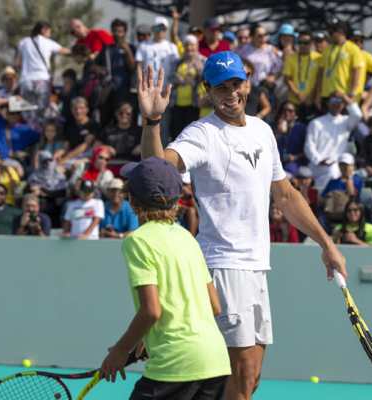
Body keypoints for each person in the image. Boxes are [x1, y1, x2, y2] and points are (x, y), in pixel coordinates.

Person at [136, 52, 346, 400]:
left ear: (247, 83)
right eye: (221, 88)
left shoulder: (262, 131)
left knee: (250, 380)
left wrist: (327, 245)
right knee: (240, 379)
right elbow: (157, 169)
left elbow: (286, 195)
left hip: (256, 267)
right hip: (223, 266)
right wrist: (152, 120)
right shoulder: (201, 134)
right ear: (207, 91)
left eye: (236, 84)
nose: (231, 93)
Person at [99, 156, 230, 398]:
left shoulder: (137, 241)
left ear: (133, 200)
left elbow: (151, 311)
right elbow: (214, 306)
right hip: (216, 362)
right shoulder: (187, 238)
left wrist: (120, 350)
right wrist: (147, 340)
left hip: (175, 365)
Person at [16, 21, 71, 123]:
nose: (50, 34)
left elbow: (18, 63)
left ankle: (32, 131)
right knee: (42, 112)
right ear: (43, 30)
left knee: (29, 112)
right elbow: (65, 51)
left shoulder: (23, 42)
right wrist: (81, 51)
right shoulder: (48, 42)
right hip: (42, 80)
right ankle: (43, 134)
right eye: (49, 31)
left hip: (26, 81)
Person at [304, 93, 362, 190]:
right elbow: (308, 146)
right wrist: (319, 160)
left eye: (340, 102)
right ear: (328, 103)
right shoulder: (316, 123)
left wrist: (344, 96)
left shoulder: (346, 121)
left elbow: (357, 114)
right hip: (317, 165)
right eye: (333, 102)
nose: (337, 105)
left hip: (338, 165)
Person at [95, 18, 137, 122]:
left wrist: (127, 51)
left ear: (125, 33)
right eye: (115, 31)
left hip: (125, 93)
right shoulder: (106, 49)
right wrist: (100, 70)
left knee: (124, 121)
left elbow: (133, 68)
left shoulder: (131, 48)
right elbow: (94, 65)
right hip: (108, 91)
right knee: (105, 120)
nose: (117, 34)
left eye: (120, 31)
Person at [315, 19, 364, 104]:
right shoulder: (327, 49)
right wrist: (318, 94)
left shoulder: (353, 48)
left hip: (342, 95)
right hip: (326, 95)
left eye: (332, 31)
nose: (330, 33)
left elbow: (356, 72)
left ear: (341, 32)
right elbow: (321, 73)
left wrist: (352, 93)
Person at [169, 34, 206, 140]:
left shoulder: (203, 61)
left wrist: (194, 78)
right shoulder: (178, 61)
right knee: (176, 134)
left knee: (191, 134)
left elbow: (206, 79)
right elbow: (170, 78)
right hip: (177, 103)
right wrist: (178, 80)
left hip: (194, 104)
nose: (189, 48)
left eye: (192, 45)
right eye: (187, 45)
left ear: (197, 46)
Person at [282, 30, 321, 119]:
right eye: (300, 43)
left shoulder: (319, 58)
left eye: (306, 43)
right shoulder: (291, 58)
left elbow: (319, 79)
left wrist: (311, 95)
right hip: (294, 101)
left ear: (311, 43)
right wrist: (298, 94)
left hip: (311, 101)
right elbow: (287, 79)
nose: (302, 45)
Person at [135, 16, 179, 87]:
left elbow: (176, 68)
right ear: (153, 28)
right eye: (158, 27)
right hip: (147, 88)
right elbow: (139, 66)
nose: (160, 31)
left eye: (163, 28)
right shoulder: (143, 45)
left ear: (166, 30)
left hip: (166, 88)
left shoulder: (172, 47)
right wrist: (140, 83)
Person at [273, 102, 307, 175]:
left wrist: (295, 157)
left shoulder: (301, 128)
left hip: (294, 163)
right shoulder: (274, 126)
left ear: (295, 114)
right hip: (277, 162)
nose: (286, 113)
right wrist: (279, 132)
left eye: (290, 111)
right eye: (284, 110)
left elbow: (307, 150)